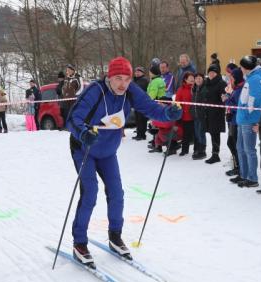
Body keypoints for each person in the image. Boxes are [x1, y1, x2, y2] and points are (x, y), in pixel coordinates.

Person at [66, 56, 182, 267]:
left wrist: (168, 112)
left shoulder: (130, 92)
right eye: (118, 78)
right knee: (90, 193)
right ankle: (79, 242)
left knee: (117, 193)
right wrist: (83, 133)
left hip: (108, 151)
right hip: (85, 149)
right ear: (109, 77)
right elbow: (72, 119)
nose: (122, 84)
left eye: (126, 79)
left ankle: (115, 235)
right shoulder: (96, 91)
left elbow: (150, 108)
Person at [230, 56, 261, 187]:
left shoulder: (256, 79)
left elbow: (253, 100)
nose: (241, 69)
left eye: (242, 66)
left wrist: (245, 112)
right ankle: (243, 174)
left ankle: (252, 178)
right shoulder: (250, 78)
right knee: (240, 148)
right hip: (242, 119)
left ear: (247, 67)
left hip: (249, 119)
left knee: (249, 150)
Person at [222, 68, 245, 176]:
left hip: (237, 121)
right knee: (231, 143)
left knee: (234, 144)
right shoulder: (236, 88)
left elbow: (238, 106)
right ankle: (237, 166)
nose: (230, 79)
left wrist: (226, 100)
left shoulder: (241, 89)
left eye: (232, 77)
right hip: (232, 120)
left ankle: (241, 167)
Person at [204, 64, 227, 164]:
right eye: (209, 73)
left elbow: (224, 99)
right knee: (212, 133)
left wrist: (217, 108)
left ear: (217, 73)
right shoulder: (207, 83)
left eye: (213, 73)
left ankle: (215, 154)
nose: (211, 74)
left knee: (215, 133)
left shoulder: (221, 83)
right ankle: (214, 153)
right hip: (208, 112)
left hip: (217, 113)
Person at [175, 72, 195, 156]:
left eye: (193, 78)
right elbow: (177, 102)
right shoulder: (181, 89)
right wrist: (179, 111)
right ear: (185, 80)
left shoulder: (195, 88)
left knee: (195, 134)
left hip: (195, 115)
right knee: (185, 134)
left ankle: (197, 150)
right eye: (190, 78)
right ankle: (184, 149)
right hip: (185, 116)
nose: (192, 80)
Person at [191, 73, 208, 160]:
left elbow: (206, 102)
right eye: (196, 78)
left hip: (202, 115)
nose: (198, 80)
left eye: (200, 78)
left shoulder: (204, 88)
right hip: (195, 115)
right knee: (197, 133)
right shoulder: (195, 88)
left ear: (203, 79)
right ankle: (198, 149)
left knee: (201, 133)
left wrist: (203, 112)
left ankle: (202, 151)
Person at [132, 67, 149, 140]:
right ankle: (138, 133)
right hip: (136, 102)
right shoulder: (135, 80)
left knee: (142, 119)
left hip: (143, 102)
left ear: (142, 73)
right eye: (136, 72)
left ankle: (142, 134)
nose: (137, 73)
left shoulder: (145, 80)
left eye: (139, 72)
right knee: (137, 119)